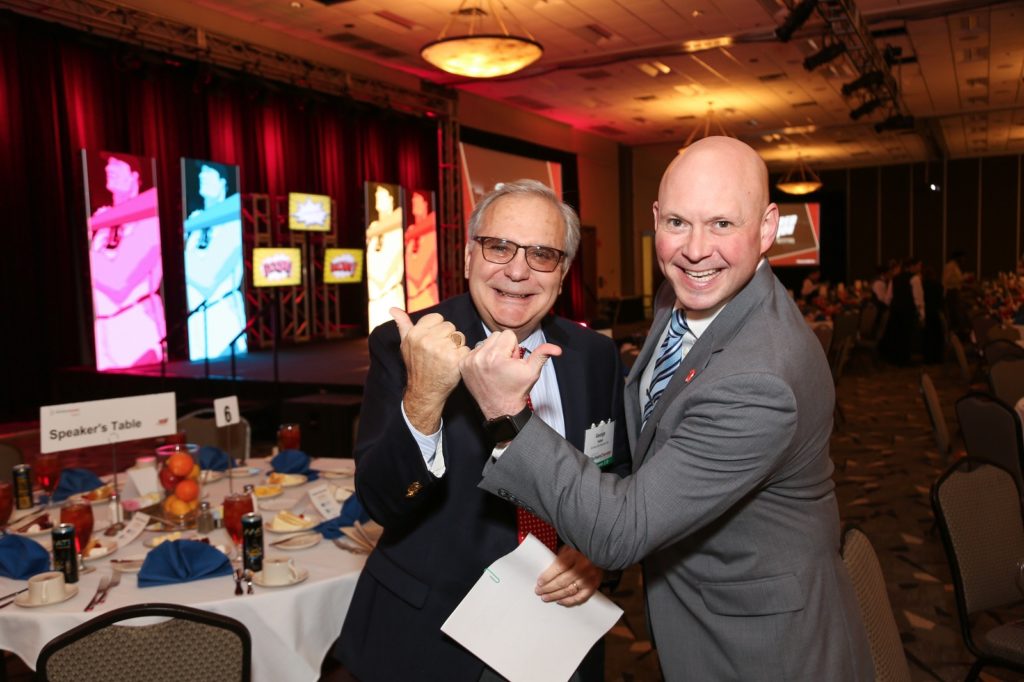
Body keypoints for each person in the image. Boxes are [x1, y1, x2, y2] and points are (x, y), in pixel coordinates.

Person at [459, 137, 872, 680]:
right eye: (678, 222)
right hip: (696, 612)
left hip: (760, 646)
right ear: (657, 219)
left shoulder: (760, 378)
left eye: (723, 224)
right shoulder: (690, 296)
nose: (696, 249)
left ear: (768, 228)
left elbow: (623, 530)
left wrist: (510, 414)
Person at [334, 179, 630, 680]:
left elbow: (615, 472)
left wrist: (596, 552)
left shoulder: (594, 356)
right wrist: (425, 395)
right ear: (470, 256)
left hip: (560, 633)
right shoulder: (410, 343)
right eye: (499, 247)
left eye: (542, 254)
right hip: (430, 640)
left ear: (562, 273)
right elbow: (381, 500)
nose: (517, 270)